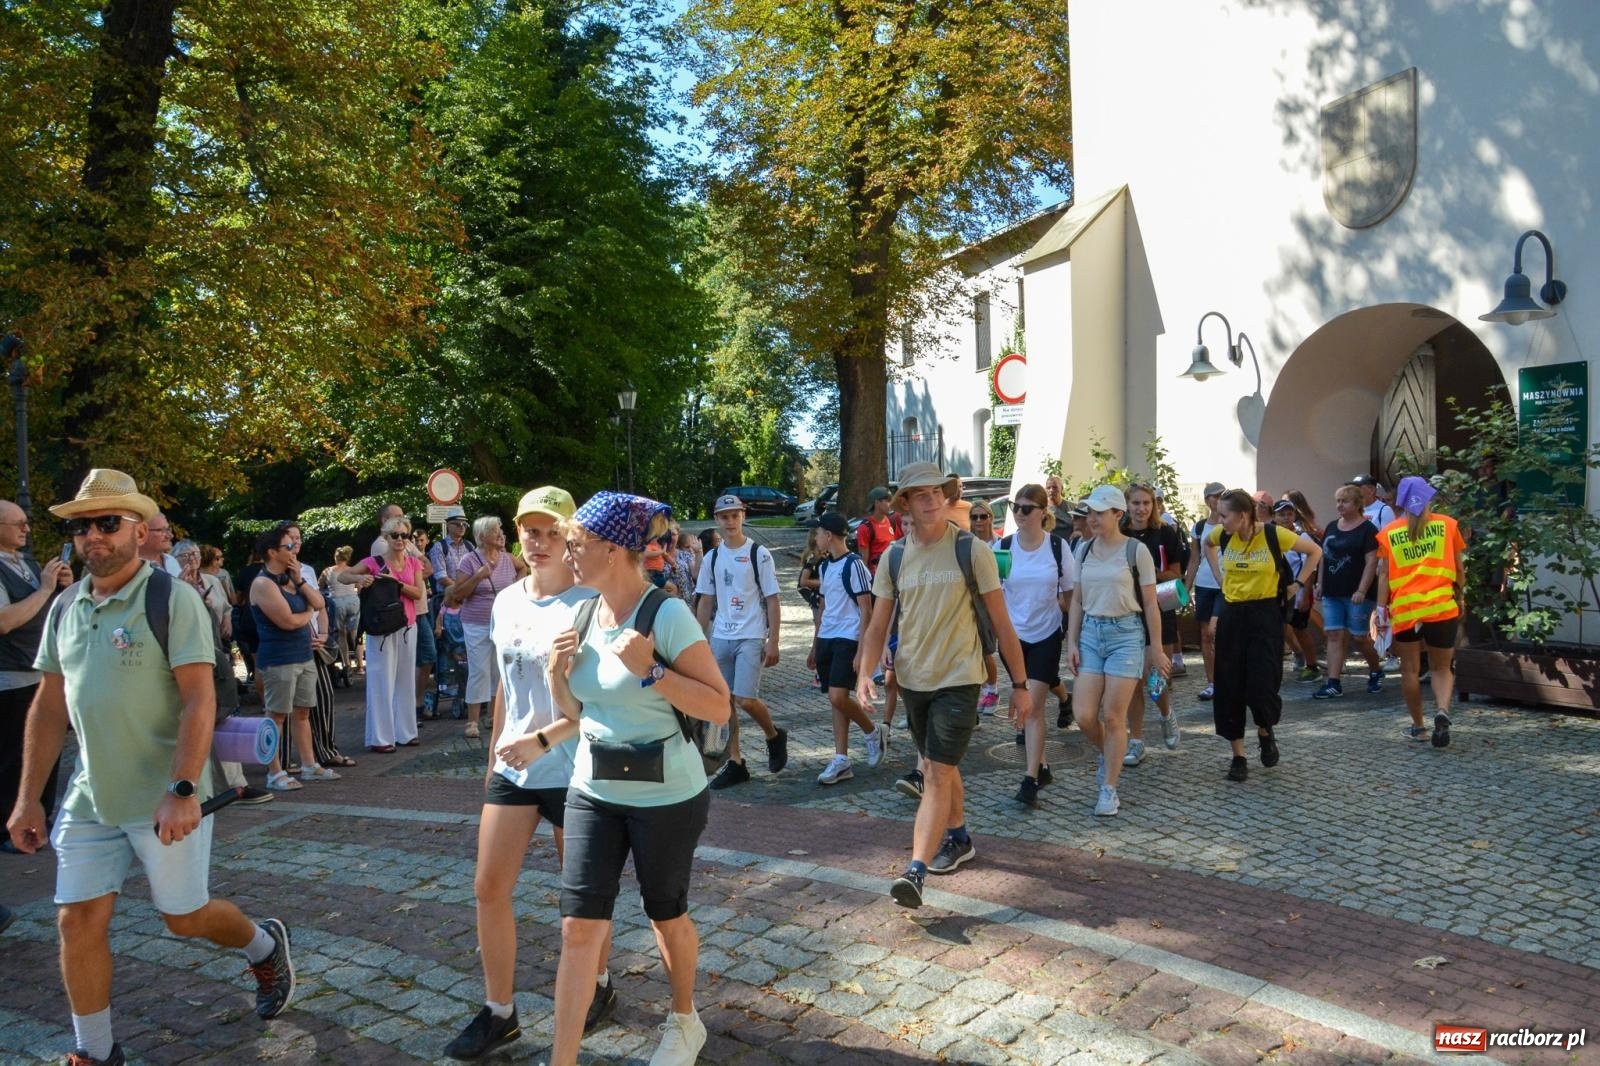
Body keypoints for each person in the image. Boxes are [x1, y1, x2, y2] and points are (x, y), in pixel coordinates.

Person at [6, 470, 294, 1066]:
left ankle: (263, 946)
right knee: (77, 919)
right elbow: (50, 704)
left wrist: (183, 788)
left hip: (165, 792)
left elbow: (199, 699)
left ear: (139, 531)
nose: (94, 537)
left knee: (184, 918)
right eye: (83, 526)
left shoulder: (170, 598)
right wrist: (29, 796)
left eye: (108, 523)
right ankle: (95, 1051)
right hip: (90, 797)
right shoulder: (65, 604)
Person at [547, 491, 731, 1066]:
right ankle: (562, 1059)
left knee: (664, 913)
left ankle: (683, 1021)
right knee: (578, 927)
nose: (567, 552)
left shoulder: (665, 614)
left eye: (575, 543)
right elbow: (574, 714)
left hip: (668, 795)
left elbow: (719, 707)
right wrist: (557, 674)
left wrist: (651, 670)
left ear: (612, 549)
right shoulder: (580, 614)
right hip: (592, 790)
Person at [444, 487, 616, 1060]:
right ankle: (501, 1011)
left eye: (549, 532)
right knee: (488, 887)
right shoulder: (506, 600)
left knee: (582, 901)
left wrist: (543, 738)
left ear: (570, 536)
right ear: (515, 534)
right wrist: (495, 750)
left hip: (577, 769)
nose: (537, 543)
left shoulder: (592, 602)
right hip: (514, 771)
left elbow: (601, 704)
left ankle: (596, 985)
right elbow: (503, 684)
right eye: (528, 531)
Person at [854, 463, 1034, 907]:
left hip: (960, 677)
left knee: (933, 772)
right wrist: (864, 672)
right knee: (944, 767)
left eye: (937, 492)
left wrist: (1021, 684)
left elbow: (1001, 622)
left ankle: (915, 870)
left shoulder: (971, 550)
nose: (932, 500)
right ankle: (959, 837)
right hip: (914, 680)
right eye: (921, 494)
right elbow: (878, 624)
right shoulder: (895, 557)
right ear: (907, 506)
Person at [1204, 489, 1322, 782]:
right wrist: (1219, 575)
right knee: (1230, 684)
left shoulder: (1272, 535)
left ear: (1243, 515)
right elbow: (1206, 544)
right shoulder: (1223, 534)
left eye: (1225, 515)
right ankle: (1239, 756)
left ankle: (1265, 730)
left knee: (1262, 683)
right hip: (1233, 613)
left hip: (1264, 614)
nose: (1220, 521)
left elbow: (1315, 552)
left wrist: (1297, 584)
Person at [1066, 486, 1165, 817]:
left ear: (1117, 515)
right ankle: (1110, 753)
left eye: (1098, 513)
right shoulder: (1083, 548)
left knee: (1112, 715)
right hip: (1092, 633)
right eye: (1089, 513)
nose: (1091, 518)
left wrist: (1157, 648)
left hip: (1126, 634)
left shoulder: (1136, 552)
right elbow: (1078, 599)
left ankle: (1109, 788)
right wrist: (1072, 641)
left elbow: (1150, 603)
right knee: (1082, 715)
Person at [694, 494, 787, 789]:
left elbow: (772, 600)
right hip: (721, 635)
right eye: (724, 516)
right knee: (725, 702)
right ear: (717, 519)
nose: (730, 521)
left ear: (743, 516)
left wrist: (773, 641)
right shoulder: (712, 557)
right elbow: (706, 601)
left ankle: (773, 735)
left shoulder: (759, 553)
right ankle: (736, 762)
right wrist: (697, 639)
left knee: (745, 698)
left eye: (735, 515)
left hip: (751, 634)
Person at [0, 499, 73, 851]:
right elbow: (5, 621)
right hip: (10, 677)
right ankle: (9, 830)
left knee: (49, 749)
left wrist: (61, 588)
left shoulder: (27, 563)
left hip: (40, 671)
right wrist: (45, 589)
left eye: (26, 522)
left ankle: (40, 821)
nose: (26, 529)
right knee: (14, 760)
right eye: (17, 524)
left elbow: (45, 611)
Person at [1375, 476, 1467, 748]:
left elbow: (1384, 576)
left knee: (1410, 671)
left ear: (1400, 502)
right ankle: (1442, 710)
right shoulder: (1448, 525)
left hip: (1406, 610)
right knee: (1441, 667)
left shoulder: (1389, 532)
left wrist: (1381, 611)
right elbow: (1460, 570)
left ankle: (1419, 727)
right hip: (1441, 607)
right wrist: (1460, 598)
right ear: (1429, 498)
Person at [997, 484, 1074, 806]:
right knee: (1028, 706)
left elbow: (1071, 593)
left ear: (1044, 512)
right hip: (1012, 639)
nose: (1019, 513)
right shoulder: (1003, 547)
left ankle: (1030, 779)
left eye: (1027, 508)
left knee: (1033, 707)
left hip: (1045, 635)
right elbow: (993, 593)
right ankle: (1042, 766)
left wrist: (1064, 617)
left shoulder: (1057, 547)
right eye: (1016, 506)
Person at [249, 523, 337, 791]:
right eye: (288, 546)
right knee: (275, 716)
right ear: (272, 552)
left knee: (302, 713)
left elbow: (319, 604)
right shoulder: (263, 583)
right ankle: (274, 772)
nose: (293, 550)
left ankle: (310, 765)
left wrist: (299, 581)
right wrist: (305, 613)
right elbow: (286, 621)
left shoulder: (290, 578)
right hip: (279, 658)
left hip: (303, 655)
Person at [808, 512, 883, 783]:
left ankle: (872, 731)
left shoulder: (855, 565)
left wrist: (863, 651)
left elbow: (867, 610)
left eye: (818, 533)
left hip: (848, 638)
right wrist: (814, 645)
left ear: (829, 535)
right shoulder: (826, 567)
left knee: (839, 697)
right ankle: (842, 759)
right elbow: (824, 607)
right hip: (827, 637)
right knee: (834, 699)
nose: (815, 538)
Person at [342, 516, 426, 752]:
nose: (400, 539)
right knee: (381, 681)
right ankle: (380, 738)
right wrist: (361, 578)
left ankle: (406, 733)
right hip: (381, 627)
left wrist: (395, 582)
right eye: (395, 535)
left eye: (404, 535)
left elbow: (418, 594)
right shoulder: (374, 561)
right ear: (386, 538)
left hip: (407, 624)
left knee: (405, 681)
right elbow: (343, 576)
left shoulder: (413, 563)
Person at [1121, 483, 1184, 763]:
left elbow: (1176, 574)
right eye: (1136, 503)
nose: (1141, 508)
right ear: (1126, 505)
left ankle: (1165, 713)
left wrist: (1150, 572)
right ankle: (1136, 740)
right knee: (1133, 682)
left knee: (1156, 679)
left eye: (1146, 503)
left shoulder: (1165, 533)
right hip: (1127, 612)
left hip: (1159, 610)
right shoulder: (1118, 534)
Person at [450, 516, 527, 740]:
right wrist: (477, 577)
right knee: (479, 669)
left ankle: (493, 716)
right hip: (476, 622)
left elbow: (523, 568)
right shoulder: (469, 560)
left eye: (500, 529)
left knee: (497, 669)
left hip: (502, 621)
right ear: (483, 536)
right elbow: (458, 594)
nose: (500, 533)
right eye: (495, 530)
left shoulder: (506, 558)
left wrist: (516, 588)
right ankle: (472, 720)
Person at [1313, 484, 1383, 699]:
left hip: (1357, 593)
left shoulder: (1368, 529)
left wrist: (1362, 589)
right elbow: (1324, 556)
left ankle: (1375, 670)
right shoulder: (1333, 526)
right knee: (1333, 634)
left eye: (1344, 501)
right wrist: (1320, 583)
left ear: (1357, 504)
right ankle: (1333, 682)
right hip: (1332, 591)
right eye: (1338, 501)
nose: (1339, 506)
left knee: (1359, 637)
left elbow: (1371, 562)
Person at [1184, 482, 1226, 701]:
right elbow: (1194, 558)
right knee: (1205, 635)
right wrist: (1185, 589)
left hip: (1227, 586)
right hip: (1204, 584)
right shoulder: (1199, 527)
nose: (1218, 499)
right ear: (1207, 500)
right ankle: (1212, 682)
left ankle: (1228, 679)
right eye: (1213, 496)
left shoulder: (1232, 525)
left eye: (1222, 495)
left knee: (1218, 631)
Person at [1275, 496, 1323, 683]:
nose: (1286, 518)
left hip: (1298, 591)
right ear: (1275, 516)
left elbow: (1310, 568)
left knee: (1300, 629)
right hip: (1277, 593)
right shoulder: (1270, 536)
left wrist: (1304, 595)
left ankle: (1312, 666)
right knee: (1279, 629)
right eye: (1281, 514)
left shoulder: (1302, 537)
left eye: (1289, 514)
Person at [323, 546, 362, 682]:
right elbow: (359, 586)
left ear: (335, 557)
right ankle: (361, 665)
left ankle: (346, 664)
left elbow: (319, 584)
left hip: (337, 602)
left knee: (341, 634)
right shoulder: (352, 571)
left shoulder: (328, 571)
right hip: (353, 601)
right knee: (355, 634)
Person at [853, 486, 899, 573]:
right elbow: (863, 562)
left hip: (892, 573)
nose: (891, 504)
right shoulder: (865, 527)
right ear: (877, 502)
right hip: (876, 577)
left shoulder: (891, 521)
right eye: (888, 501)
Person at [141, 511, 182, 576]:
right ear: (142, 533)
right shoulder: (132, 568)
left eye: (168, 529)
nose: (170, 535)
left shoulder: (171, 560)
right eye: (162, 530)